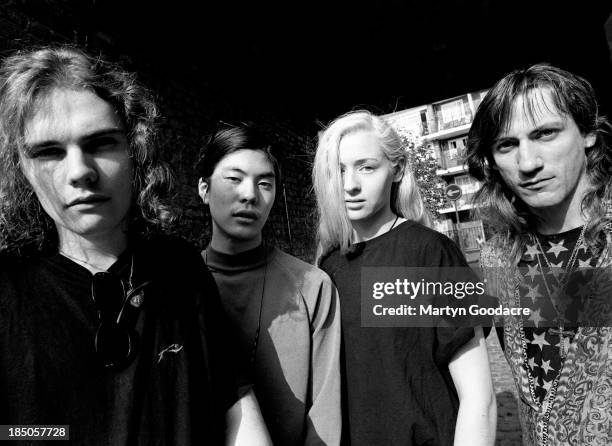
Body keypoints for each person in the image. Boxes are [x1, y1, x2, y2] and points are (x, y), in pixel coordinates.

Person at [0, 46, 271, 445]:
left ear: (134, 149)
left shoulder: (181, 269)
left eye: (101, 143)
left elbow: (231, 402)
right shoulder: (8, 290)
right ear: (22, 166)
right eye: (49, 152)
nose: (80, 172)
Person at [313, 110, 496, 445]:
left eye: (366, 167)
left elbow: (479, 398)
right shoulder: (327, 268)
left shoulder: (432, 254)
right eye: (338, 171)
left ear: (396, 169)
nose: (350, 184)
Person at [467, 63, 612, 445]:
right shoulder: (499, 258)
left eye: (545, 134)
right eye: (507, 145)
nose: (528, 164)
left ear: (588, 135)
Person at [196, 124, 342, 445]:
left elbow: (326, 420)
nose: (249, 194)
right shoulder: (177, 289)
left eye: (265, 183)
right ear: (204, 189)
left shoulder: (313, 287)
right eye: (233, 179)